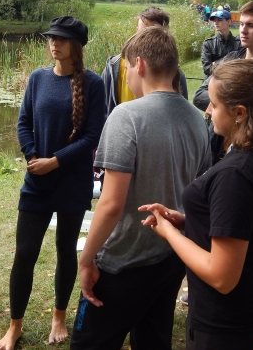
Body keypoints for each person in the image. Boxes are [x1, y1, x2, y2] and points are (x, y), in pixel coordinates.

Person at [139, 59, 253, 350]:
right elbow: (249, 222)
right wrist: (189, 221)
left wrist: (168, 232)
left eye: (213, 104)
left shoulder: (236, 174)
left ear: (239, 113)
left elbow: (222, 276)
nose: (207, 110)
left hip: (225, 321)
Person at [71, 26, 211, 350]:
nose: (128, 77)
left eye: (127, 69)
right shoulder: (197, 119)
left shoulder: (126, 116)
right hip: (170, 255)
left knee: (88, 342)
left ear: (140, 65)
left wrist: (86, 260)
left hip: (123, 261)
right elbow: (197, 191)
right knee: (153, 338)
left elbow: (110, 204)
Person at [0, 16, 105, 350]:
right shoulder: (38, 78)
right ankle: (15, 326)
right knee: (25, 253)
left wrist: (55, 161)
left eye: (61, 38)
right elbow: (23, 122)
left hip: (71, 181)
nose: (53, 43)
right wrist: (32, 157)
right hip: (37, 180)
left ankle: (59, 315)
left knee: (64, 251)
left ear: (76, 45)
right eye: (51, 38)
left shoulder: (93, 84)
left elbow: (92, 136)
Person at [193, 0, 253, 113]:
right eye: (241, 24)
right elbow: (199, 95)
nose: (243, 30)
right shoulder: (231, 59)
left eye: (251, 25)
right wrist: (225, 107)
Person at [102, 7, 188, 116]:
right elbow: (102, 108)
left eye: (153, 33)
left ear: (165, 35)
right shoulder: (113, 66)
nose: (146, 38)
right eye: (142, 31)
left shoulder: (175, 74)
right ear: (136, 30)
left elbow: (181, 113)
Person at [199, 9, 240, 81]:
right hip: (211, 83)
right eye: (214, 20)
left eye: (220, 20)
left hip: (232, 82)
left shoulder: (238, 43)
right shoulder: (208, 44)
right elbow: (207, 68)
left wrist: (216, 64)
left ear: (228, 22)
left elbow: (241, 67)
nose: (216, 23)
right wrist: (230, 63)